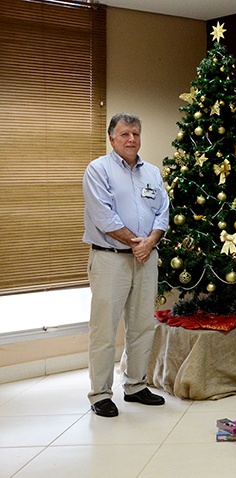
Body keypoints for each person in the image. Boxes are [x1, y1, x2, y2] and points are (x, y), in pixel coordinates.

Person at [82, 113, 169, 417]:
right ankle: (100, 394)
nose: (131, 139)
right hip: (110, 259)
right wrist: (138, 243)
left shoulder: (153, 173)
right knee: (104, 329)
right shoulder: (98, 170)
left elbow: (163, 212)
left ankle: (135, 385)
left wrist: (150, 242)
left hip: (146, 259)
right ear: (111, 139)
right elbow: (104, 217)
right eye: (124, 134)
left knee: (143, 325)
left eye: (135, 133)